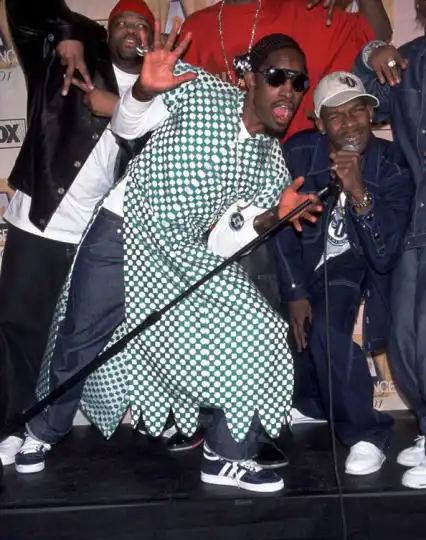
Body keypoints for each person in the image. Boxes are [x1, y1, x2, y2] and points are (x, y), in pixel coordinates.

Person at [14, 28, 322, 493]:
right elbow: (126, 128)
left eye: (299, 83)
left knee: (256, 324)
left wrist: (271, 219)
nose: (289, 91)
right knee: (80, 339)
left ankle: (225, 455)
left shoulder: (272, 166)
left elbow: (224, 241)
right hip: (124, 228)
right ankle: (41, 431)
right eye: (278, 77)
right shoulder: (199, 91)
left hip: (182, 251)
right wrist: (141, 91)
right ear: (250, 79)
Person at [0, 0, 155, 468]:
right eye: (122, 22)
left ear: (153, 37)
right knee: (20, 331)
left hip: (102, 236)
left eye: (142, 24)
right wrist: (68, 31)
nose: (132, 30)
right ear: (106, 31)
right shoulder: (64, 59)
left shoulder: (163, 92)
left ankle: (45, 426)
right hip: (42, 220)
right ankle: (9, 425)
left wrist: (120, 107)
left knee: (80, 339)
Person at [273, 71, 413, 475]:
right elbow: (280, 229)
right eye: (336, 116)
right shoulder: (298, 154)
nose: (350, 123)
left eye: (358, 111)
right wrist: (294, 291)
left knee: (326, 325)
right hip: (307, 261)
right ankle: (313, 403)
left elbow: (384, 255)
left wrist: (359, 193)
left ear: (372, 113)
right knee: (274, 316)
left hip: (359, 260)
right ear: (320, 123)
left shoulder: (392, 163)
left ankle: (368, 434)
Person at [353, 0, 426, 487]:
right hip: (417, 217)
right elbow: (360, 95)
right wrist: (373, 50)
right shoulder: (409, 59)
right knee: (406, 337)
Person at [179, 0, 392, 140]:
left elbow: (377, 33)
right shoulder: (196, 28)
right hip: (220, 171)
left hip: (297, 168)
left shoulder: (303, 11)